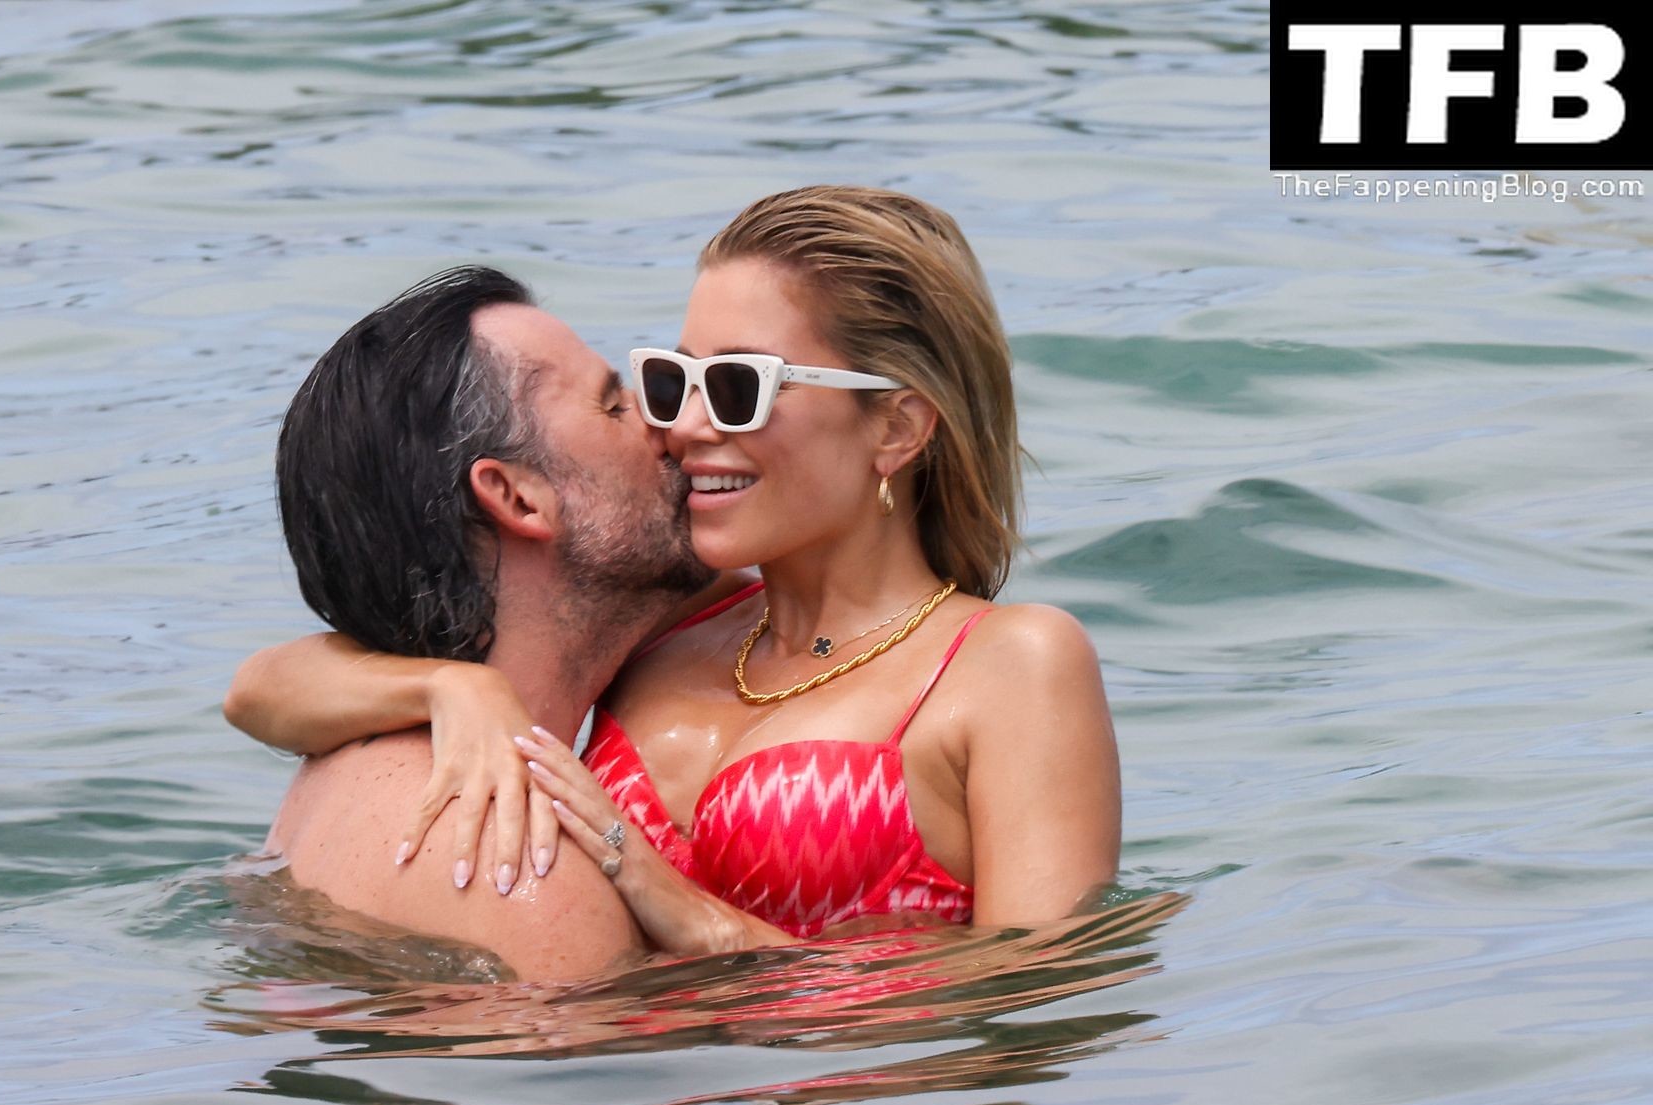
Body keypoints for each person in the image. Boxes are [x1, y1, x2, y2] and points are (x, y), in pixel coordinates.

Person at [231, 186, 1121, 954]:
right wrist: (450, 689)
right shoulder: (673, 618)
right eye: (674, 381)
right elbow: (260, 688)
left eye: (738, 387)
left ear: (895, 427)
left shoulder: (1010, 664)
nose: (686, 426)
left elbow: (1043, 993)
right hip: (639, 1091)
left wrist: (704, 923)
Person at [251, 264, 725, 979]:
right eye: (613, 407)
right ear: (517, 497)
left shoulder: (339, 764)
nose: (669, 423)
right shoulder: (527, 873)